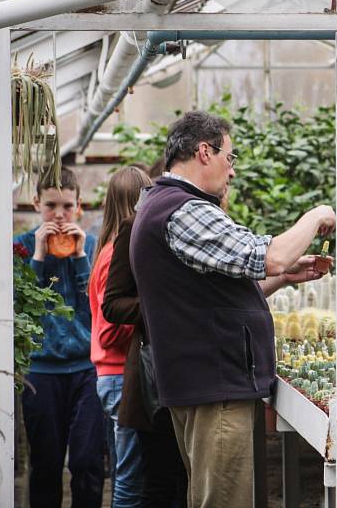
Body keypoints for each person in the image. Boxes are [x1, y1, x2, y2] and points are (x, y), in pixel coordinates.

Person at [130, 110, 336, 507]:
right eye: (231, 158)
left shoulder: (166, 204)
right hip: (214, 386)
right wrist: (314, 216)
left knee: (211, 495)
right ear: (204, 152)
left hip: (204, 383)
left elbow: (218, 289)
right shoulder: (184, 209)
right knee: (223, 500)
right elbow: (271, 255)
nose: (233, 171)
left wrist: (285, 278)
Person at [14, 167, 104, 508]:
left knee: (87, 463)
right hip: (41, 373)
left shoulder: (92, 247)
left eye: (67, 206)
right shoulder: (21, 248)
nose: (59, 215)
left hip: (86, 371)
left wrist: (81, 259)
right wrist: (38, 257)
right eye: (51, 206)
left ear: (79, 206)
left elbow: (98, 312)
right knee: (45, 466)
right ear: (37, 203)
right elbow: (20, 312)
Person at [102, 199, 188, 508]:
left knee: (191, 484)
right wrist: (162, 305)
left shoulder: (212, 222)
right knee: (159, 482)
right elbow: (112, 303)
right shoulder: (135, 226)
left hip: (200, 375)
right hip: (154, 379)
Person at [89, 166, 152, 507]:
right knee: (130, 481)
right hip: (118, 376)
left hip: (109, 377)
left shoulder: (106, 251)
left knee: (124, 473)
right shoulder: (117, 254)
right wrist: (150, 315)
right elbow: (110, 330)